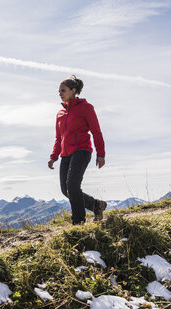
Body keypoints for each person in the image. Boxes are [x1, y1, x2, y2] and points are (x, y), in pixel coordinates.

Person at [47, 75, 107, 225]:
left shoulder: (85, 108)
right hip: (66, 154)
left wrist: (101, 154)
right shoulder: (60, 114)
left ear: (73, 91)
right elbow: (58, 138)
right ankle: (96, 205)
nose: (60, 93)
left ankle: (78, 222)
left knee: (73, 185)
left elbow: (96, 132)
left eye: (63, 90)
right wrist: (54, 156)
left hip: (82, 150)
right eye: (59, 91)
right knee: (65, 189)